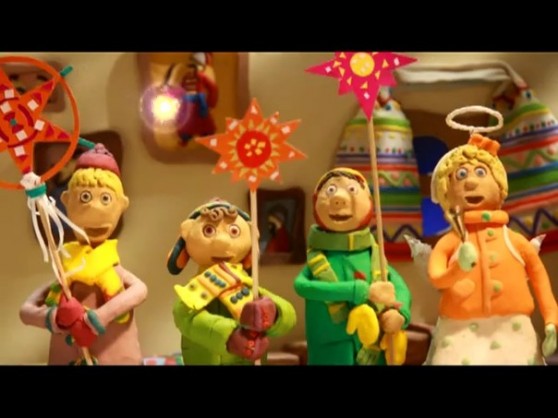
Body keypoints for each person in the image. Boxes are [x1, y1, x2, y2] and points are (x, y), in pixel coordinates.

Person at [427, 133, 558, 365]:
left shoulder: (515, 240)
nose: (470, 182)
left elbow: (539, 279)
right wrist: (457, 269)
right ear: (446, 190)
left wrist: (552, 319)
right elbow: (437, 278)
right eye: (461, 175)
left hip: (513, 330)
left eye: (480, 172)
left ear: (499, 185)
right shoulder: (450, 241)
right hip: (458, 332)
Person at [19, 144, 148, 365]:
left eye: (105, 199)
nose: (95, 209)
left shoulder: (112, 270)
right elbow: (26, 311)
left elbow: (139, 290)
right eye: (85, 197)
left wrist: (102, 315)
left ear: (122, 205)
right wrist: (52, 318)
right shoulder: (66, 272)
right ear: (66, 200)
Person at [294, 167, 412, 365]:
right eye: (330, 190)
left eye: (351, 190)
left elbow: (399, 287)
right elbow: (302, 286)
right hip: (331, 348)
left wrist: (401, 314)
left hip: (374, 347)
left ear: (369, 202)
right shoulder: (317, 259)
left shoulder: (374, 255)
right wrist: (357, 291)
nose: (338, 199)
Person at [168, 199, 296, 365]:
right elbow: (186, 318)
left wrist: (275, 313)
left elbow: (289, 317)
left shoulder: (249, 286)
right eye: (208, 230)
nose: (222, 241)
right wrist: (231, 336)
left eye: (234, 231)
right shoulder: (189, 295)